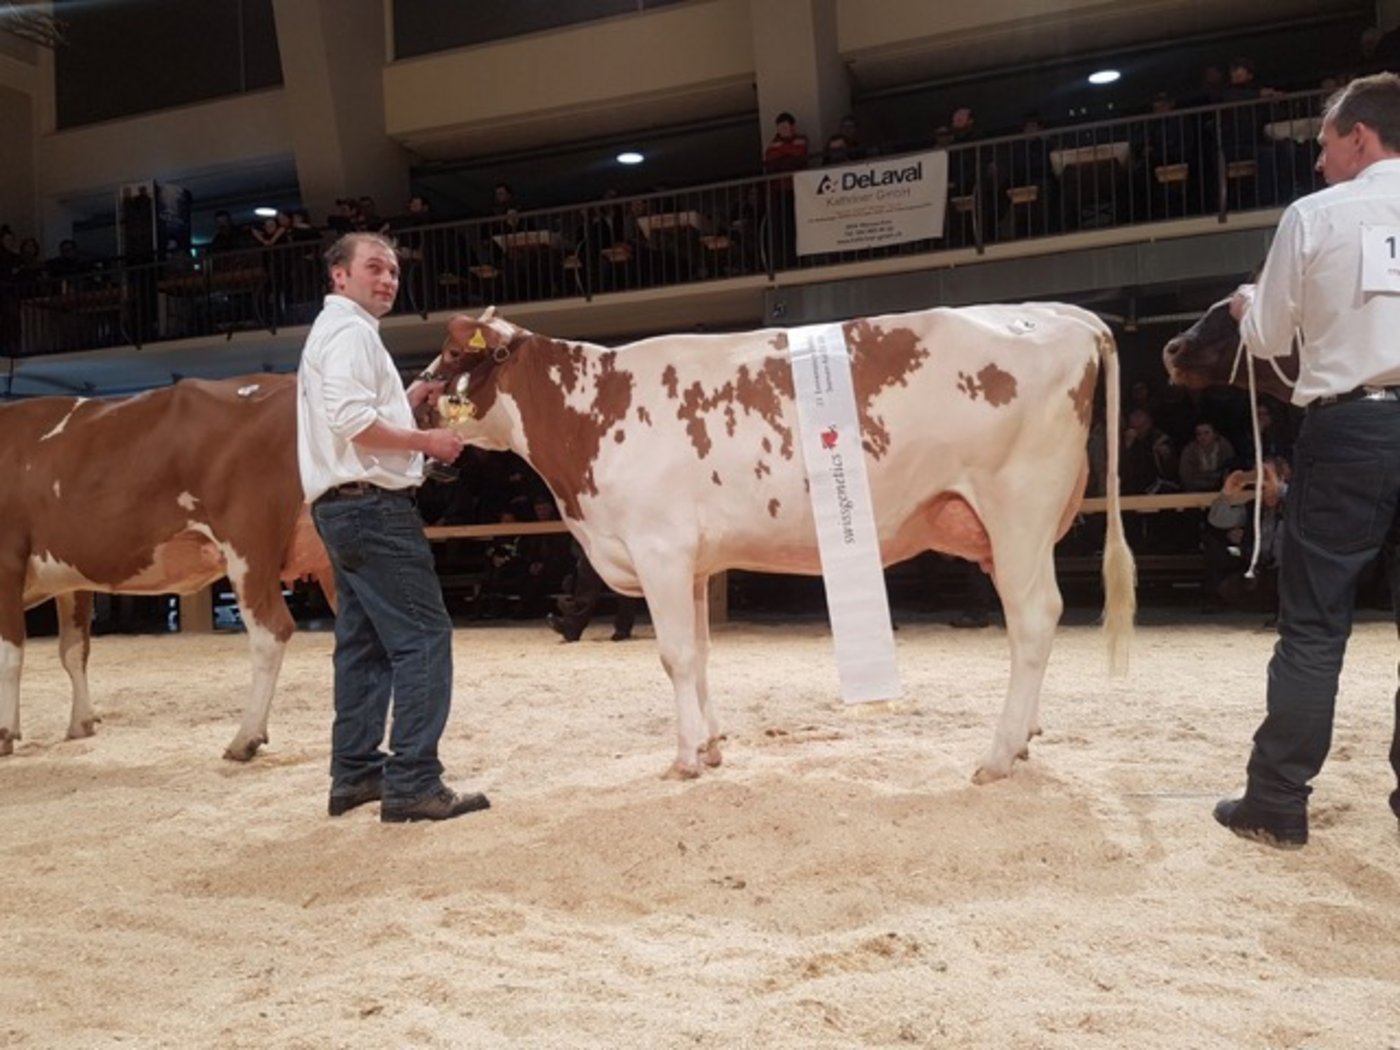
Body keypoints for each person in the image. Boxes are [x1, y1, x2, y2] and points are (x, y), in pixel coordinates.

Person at [1216, 73, 1400, 849]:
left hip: (1352, 426)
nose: (1319, 161)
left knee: (1315, 627)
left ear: (1358, 136)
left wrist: (1245, 309)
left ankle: (1278, 802)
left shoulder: (1316, 214)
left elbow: (1269, 340)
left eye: (1325, 144)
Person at [296, 231, 490, 823]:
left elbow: (352, 419)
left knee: (363, 646)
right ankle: (412, 782)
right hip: (373, 510)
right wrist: (427, 438)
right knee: (424, 640)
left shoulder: (336, 333)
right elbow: (355, 423)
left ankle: (355, 773)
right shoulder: (352, 332)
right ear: (340, 276)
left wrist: (407, 398)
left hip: (339, 507)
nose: (387, 280)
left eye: (395, 273)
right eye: (374, 268)